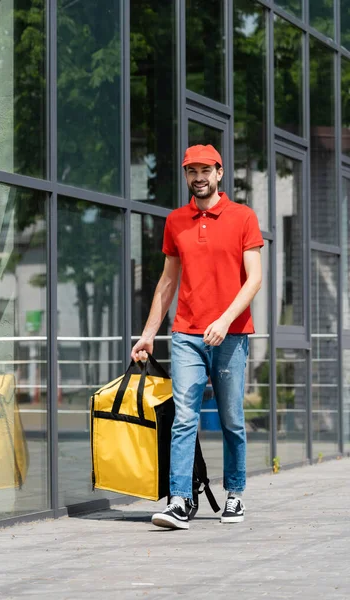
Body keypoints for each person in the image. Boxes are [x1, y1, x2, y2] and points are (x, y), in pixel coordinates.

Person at [131, 144, 264, 530]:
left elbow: (254, 278)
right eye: (192, 171)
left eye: (206, 170)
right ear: (187, 176)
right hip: (186, 334)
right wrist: (148, 334)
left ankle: (235, 494)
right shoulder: (177, 221)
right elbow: (167, 282)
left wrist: (223, 320)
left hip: (232, 335)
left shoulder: (243, 217)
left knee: (231, 420)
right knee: (184, 417)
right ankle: (179, 499)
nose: (199, 177)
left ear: (220, 173)